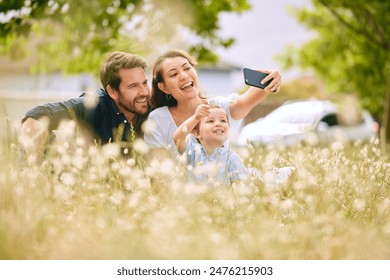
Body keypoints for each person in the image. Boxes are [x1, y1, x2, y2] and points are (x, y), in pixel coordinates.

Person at [144, 49, 281, 157]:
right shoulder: (157, 119)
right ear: (164, 87)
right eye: (173, 74)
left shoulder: (221, 107)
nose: (184, 76)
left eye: (187, 68)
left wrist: (271, 80)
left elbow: (247, 100)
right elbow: (160, 173)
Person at [20, 51, 151, 163]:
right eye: (133, 86)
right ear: (112, 92)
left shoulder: (154, 110)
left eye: (145, 83)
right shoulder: (93, 106)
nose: (144, 92)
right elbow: (34, 119)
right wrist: (36, 171)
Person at [174, 104, 255, 184]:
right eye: (210, 121)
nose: (218, 124)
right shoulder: (193, 152)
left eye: (223, 121)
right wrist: (196, 117)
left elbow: (239, 188)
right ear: (197, 133)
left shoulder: (232, 158)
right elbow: (177, 138)